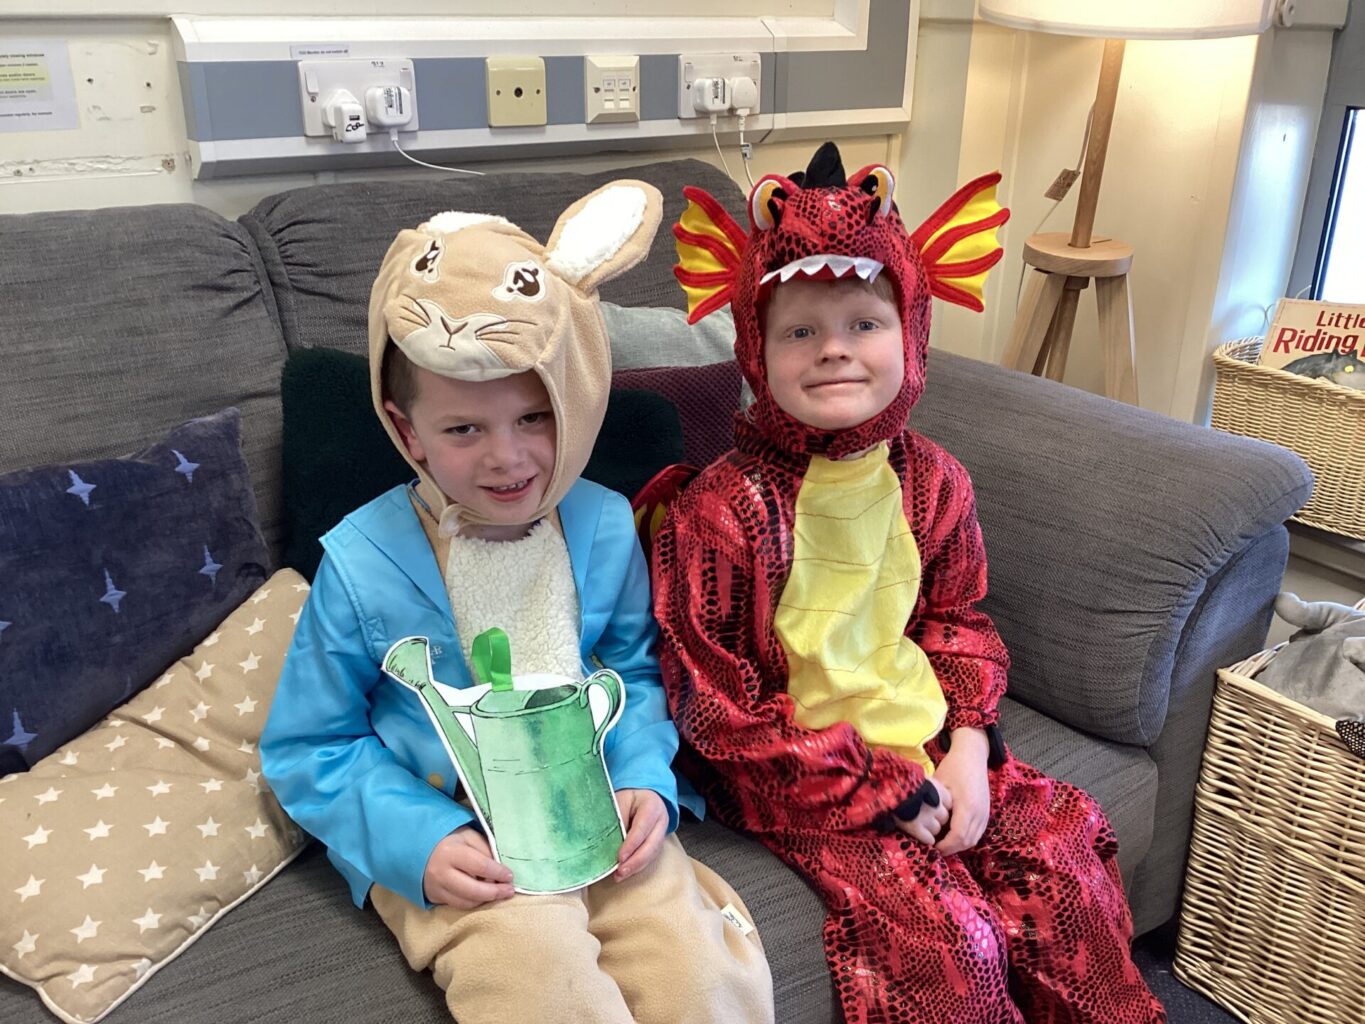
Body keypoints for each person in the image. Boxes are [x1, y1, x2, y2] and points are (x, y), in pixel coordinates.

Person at [651, 143, 1166, 1024]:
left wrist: (969, 743)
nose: (833, 351)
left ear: (912, 332)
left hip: (927, 742)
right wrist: (875, 788)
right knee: (946, 943)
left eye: (863, 324)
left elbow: (956, 621)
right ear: (755, 351)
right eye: (799, 332)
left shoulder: (933, 481)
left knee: (1060, 857)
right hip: (800, 772)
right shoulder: (719, 510)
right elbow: (713, 707)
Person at [261, 180, 773, 1024]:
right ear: (407, 429)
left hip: (600, 822)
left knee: (697, 972)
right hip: (460, 847)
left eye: (533, 418)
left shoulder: (605, 527)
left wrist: (643, 779)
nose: (507, 458)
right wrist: (417, 841)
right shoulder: (360, 562)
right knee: (538, 976)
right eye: (464, 429)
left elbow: (637, 676)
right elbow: (308, 746)